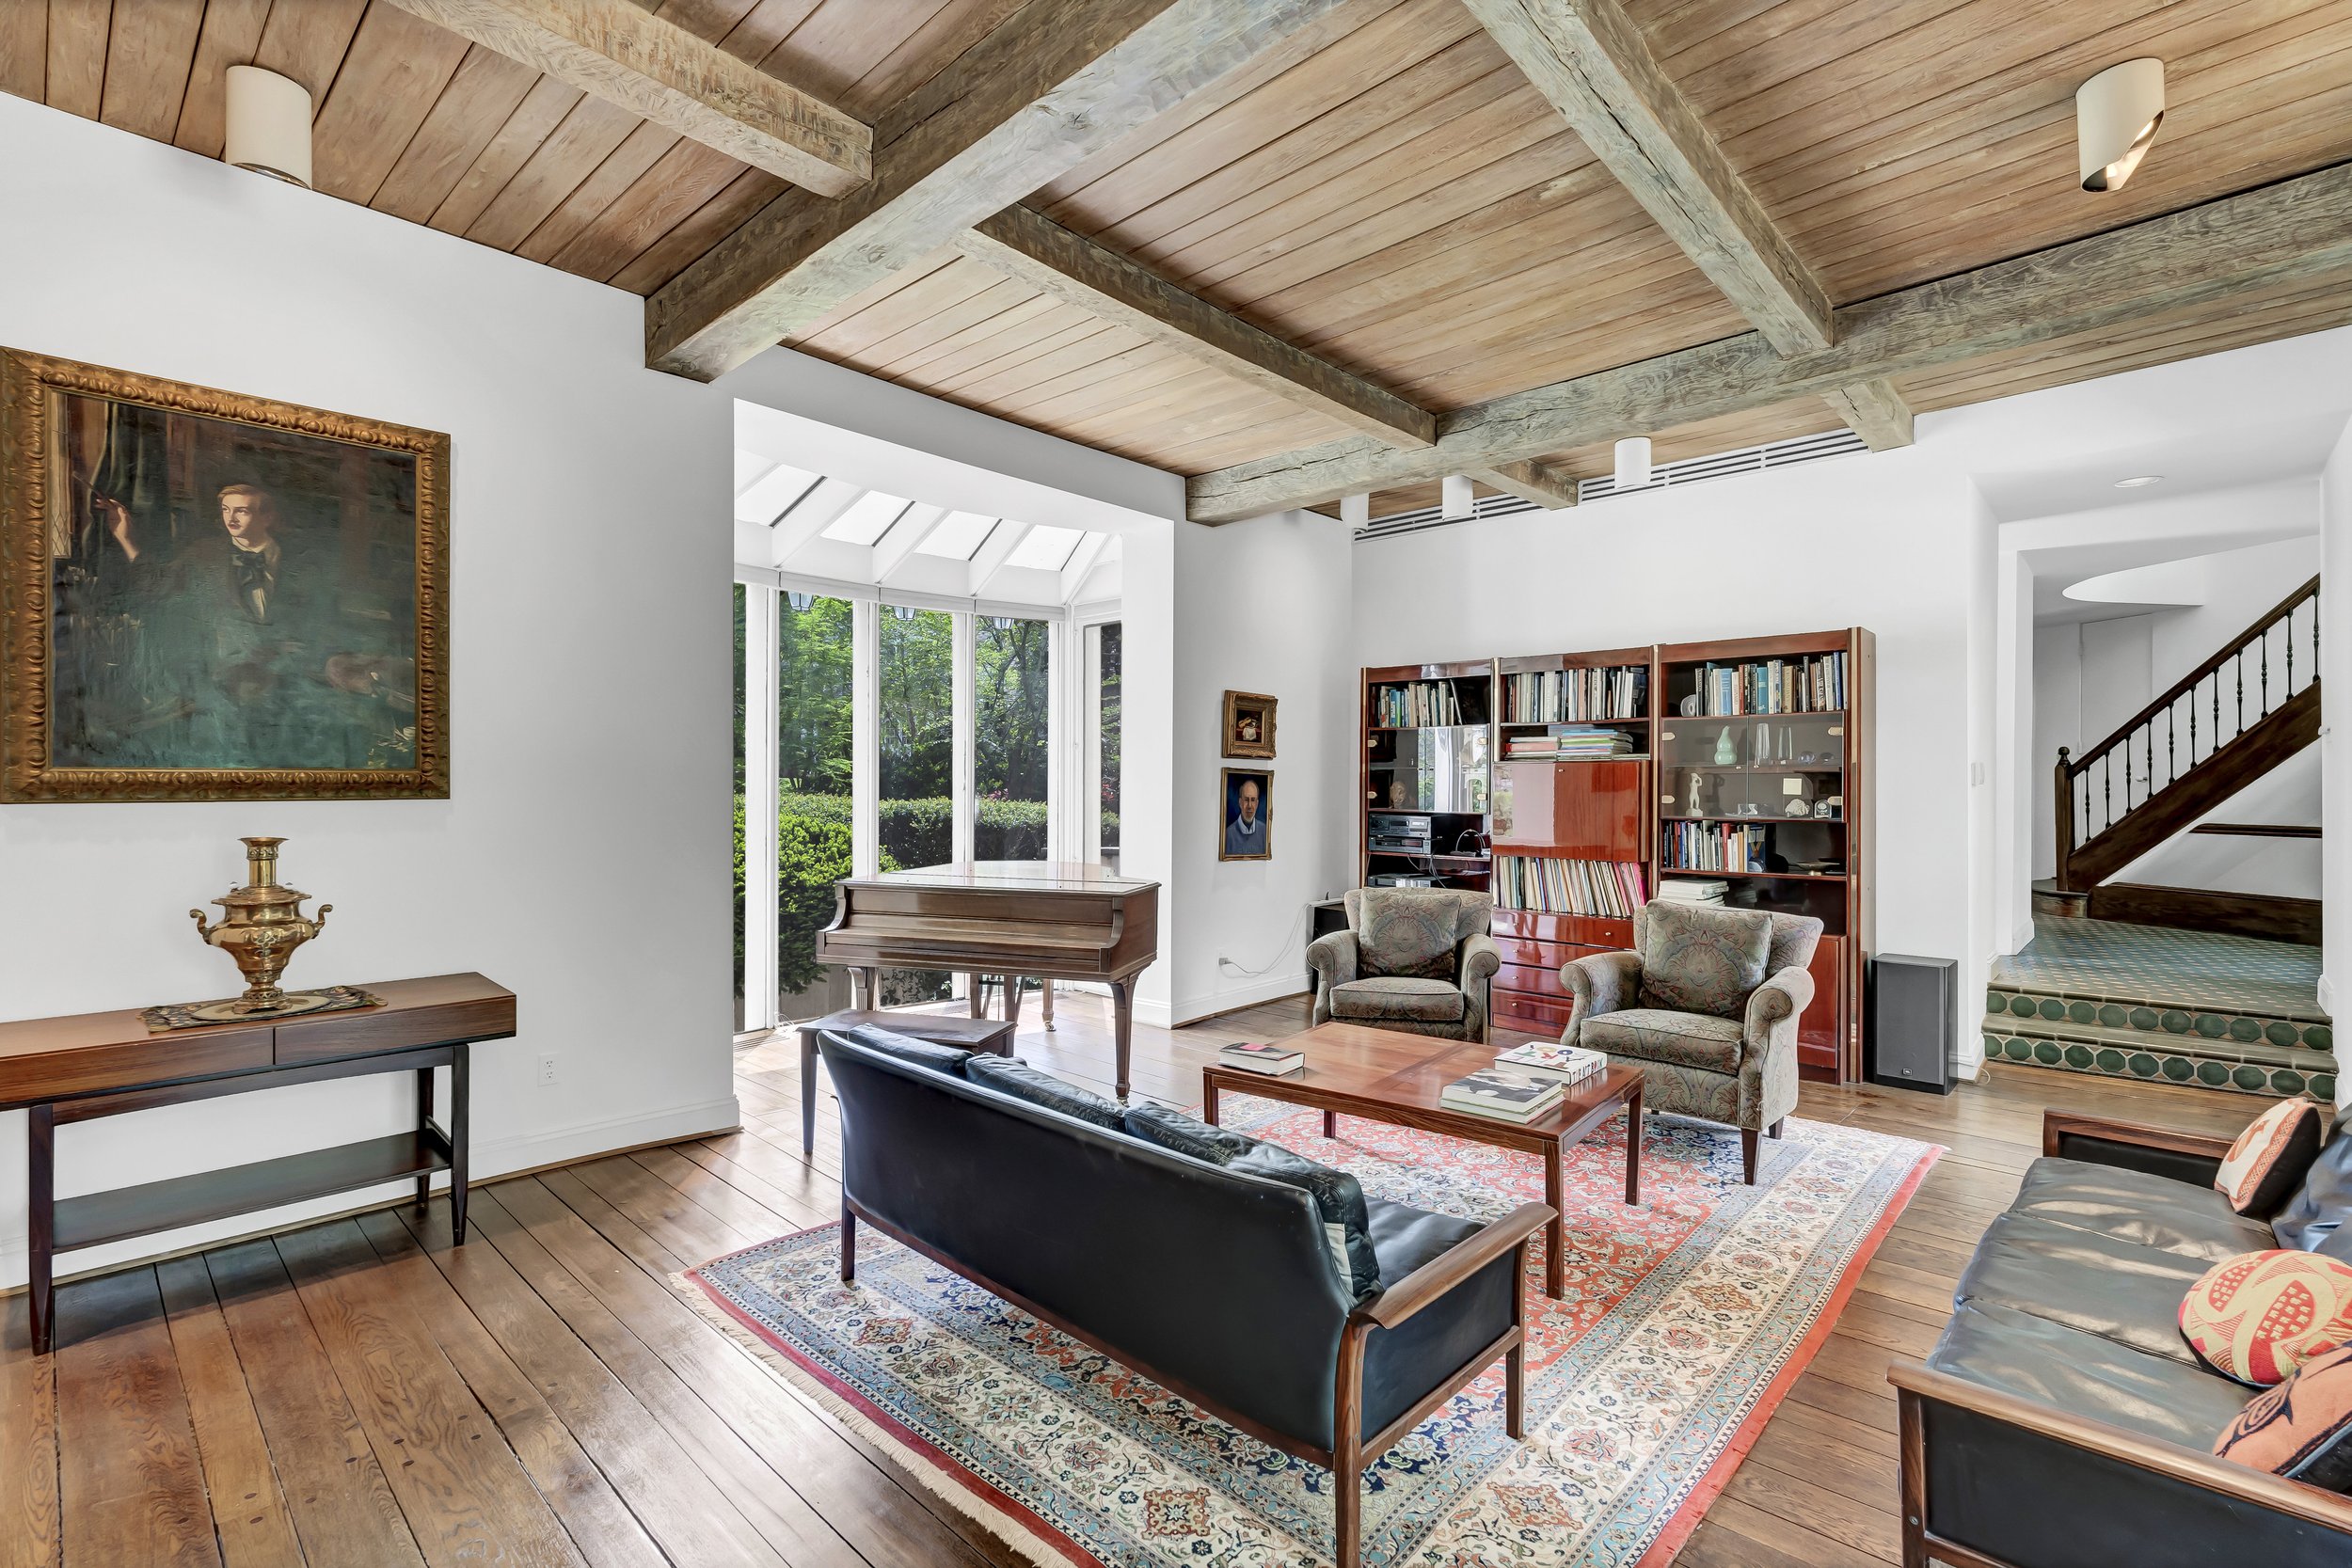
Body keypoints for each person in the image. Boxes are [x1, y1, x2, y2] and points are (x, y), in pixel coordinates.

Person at [1225, 776, 1268, 857]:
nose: (1249, 805)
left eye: (1253, 800)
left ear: (1257, 804)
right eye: (1246, 800)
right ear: (1240, 802)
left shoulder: (1265, 832)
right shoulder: (1228, 834)